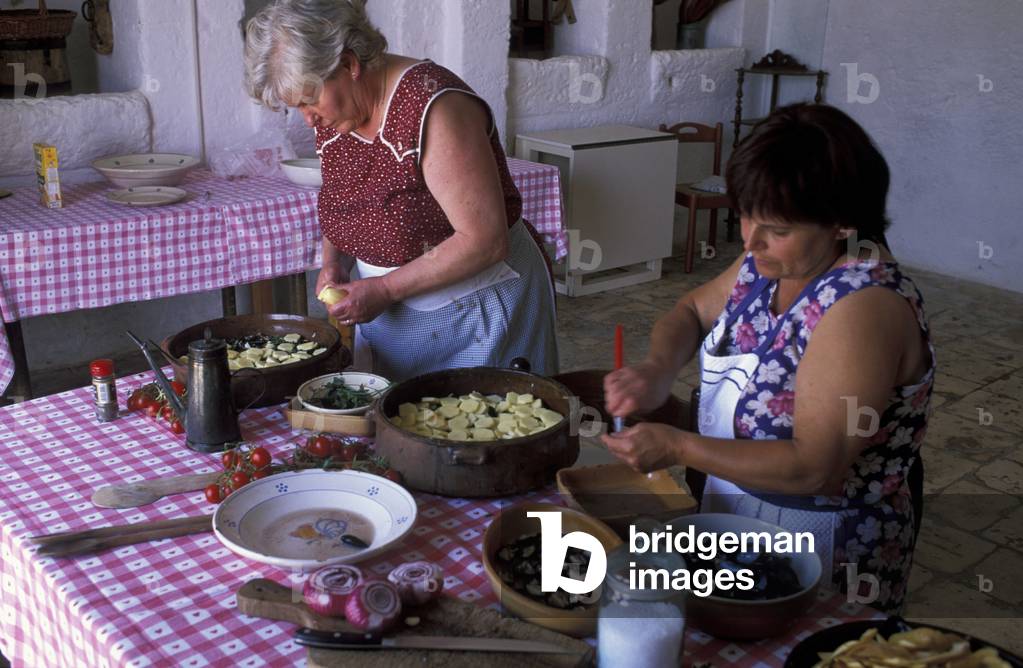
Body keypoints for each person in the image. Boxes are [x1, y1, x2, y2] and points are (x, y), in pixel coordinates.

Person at [602, 103, 934, 612]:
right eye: (745, 215)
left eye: (775, 226)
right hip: (737, 506)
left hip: (822, 537)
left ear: (842, 221)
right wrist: (657, 368)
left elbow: (812, 467)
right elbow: (691, 311)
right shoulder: (768, 259)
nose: (749, 239)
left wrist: (676, 447)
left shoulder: (862, 307)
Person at [244, 0, 558, 381]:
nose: (307, 118)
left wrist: (386, 289)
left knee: (481, 427)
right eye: (297, 106)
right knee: (399, 432)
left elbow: (484, 241)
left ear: (348, 65)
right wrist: (334, 264)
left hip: (474, 311)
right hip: (392, 316)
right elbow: (346, 200)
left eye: (309, 101)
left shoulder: (435, 108)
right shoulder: (339, 110)